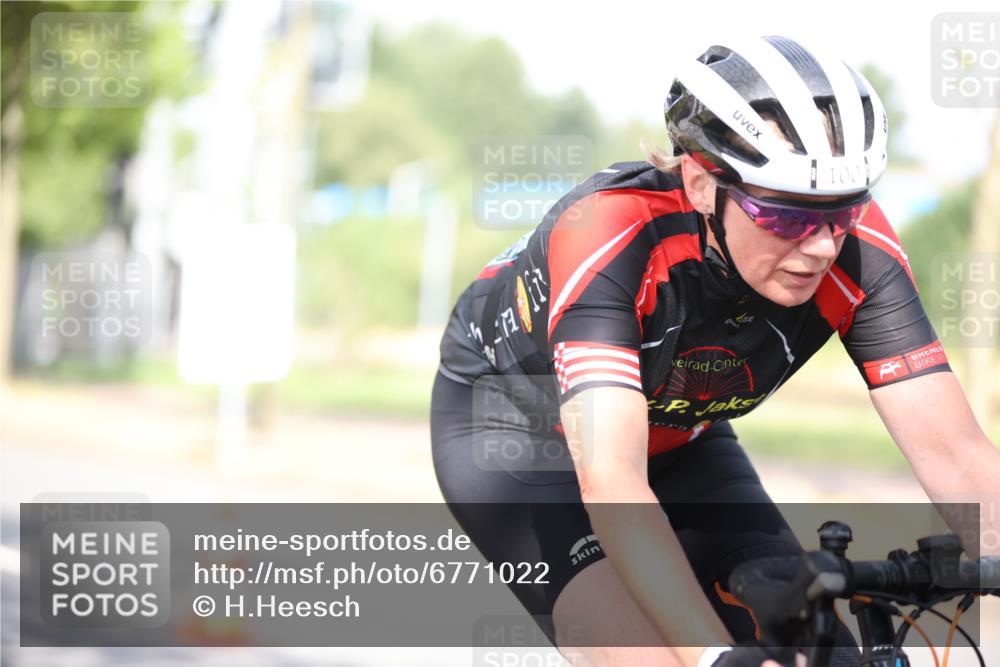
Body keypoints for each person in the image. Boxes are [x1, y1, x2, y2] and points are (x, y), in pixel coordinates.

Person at [431, 35, 1000, 667]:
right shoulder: (610, 234)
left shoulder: (860, 252)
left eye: (842, 211)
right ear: (703, 184)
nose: (820, 246)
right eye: (786, 216)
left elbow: (957, 454)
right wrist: (709, 655)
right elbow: (612, 476)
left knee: (818, 648)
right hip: (521, 438)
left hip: (680, 438)